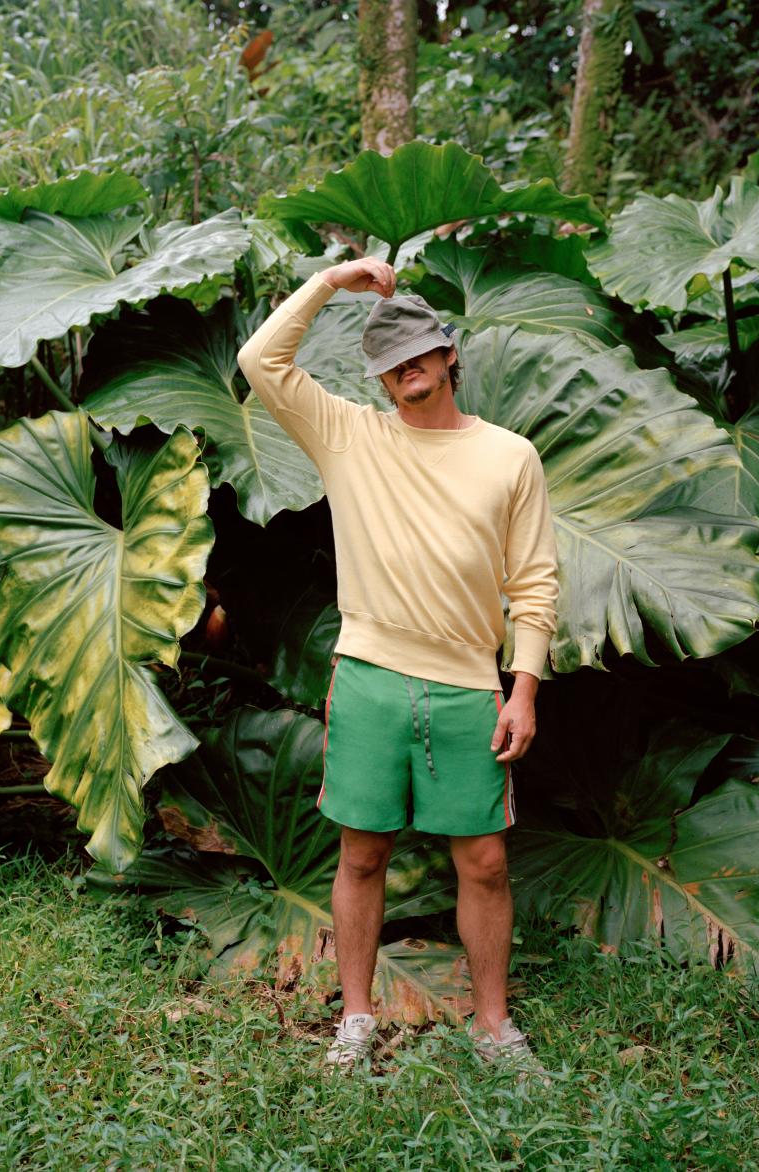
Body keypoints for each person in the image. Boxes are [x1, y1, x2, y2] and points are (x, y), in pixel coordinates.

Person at [237, 256, 559, 1074]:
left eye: (417, 350)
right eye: (386, 361)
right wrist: (329, 284)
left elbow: (534, 582)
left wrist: (522, 689)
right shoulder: (348, 436)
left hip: (468, 685)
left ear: (449, 355)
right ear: (378, 378)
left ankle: (493, 1026)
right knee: (361, 852)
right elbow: (259, 362)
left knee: (483, 860)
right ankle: (355, 1017)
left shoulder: (510, 456)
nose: (403, 367)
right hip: (371, 674)